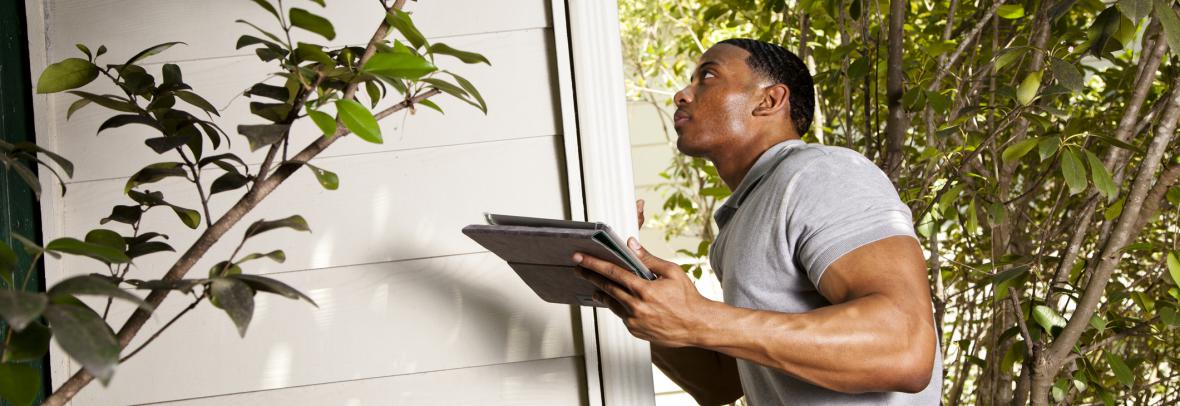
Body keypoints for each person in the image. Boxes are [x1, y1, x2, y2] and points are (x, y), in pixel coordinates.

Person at [572, 38, 942, 405]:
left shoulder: (821, 173)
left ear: (769, 101)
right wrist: (628, 280)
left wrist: (700, 318)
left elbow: (904, 346)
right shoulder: (747, 213)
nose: (681, 95)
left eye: (708, 76)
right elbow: (720, 383)